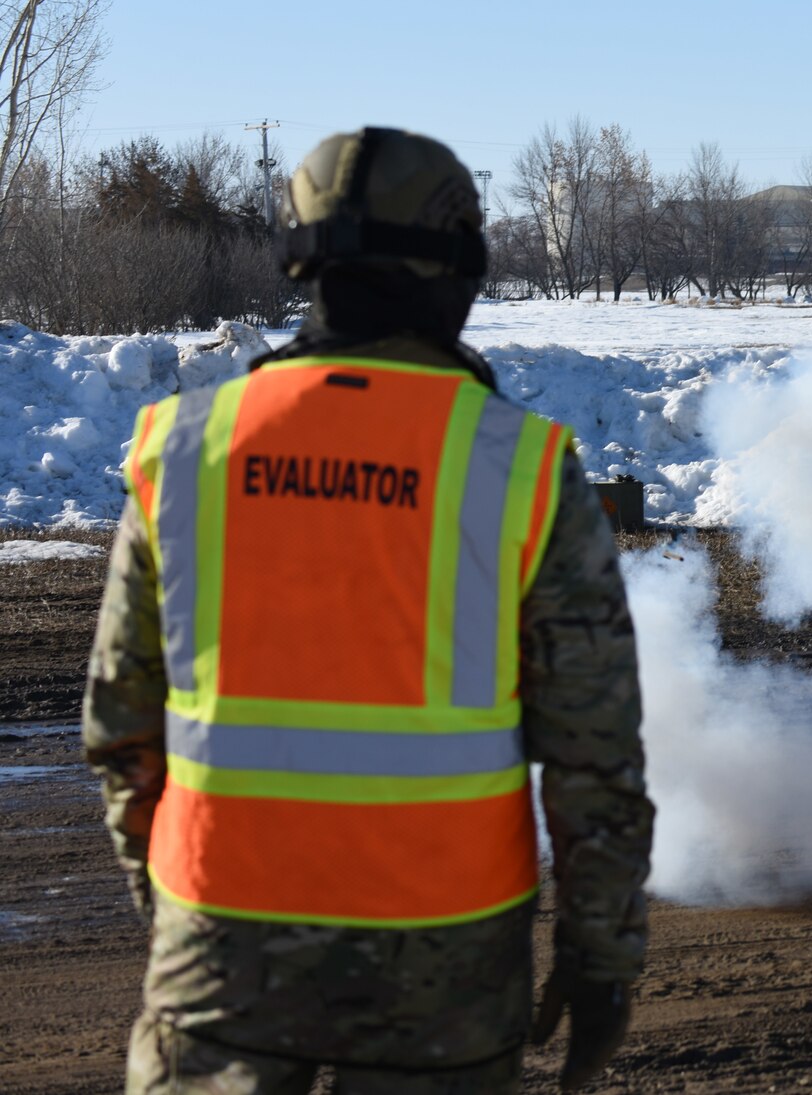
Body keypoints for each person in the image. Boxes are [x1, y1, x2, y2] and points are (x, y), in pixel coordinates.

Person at [84, 128, 654, 1093]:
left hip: (220, 930)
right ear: (459, 267)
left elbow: (119, 726)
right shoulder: (516, 465)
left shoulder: (183, 449)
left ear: (301, 255)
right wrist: (601, 961)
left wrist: (178, 909)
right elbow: (594, 756)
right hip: (446, 960)